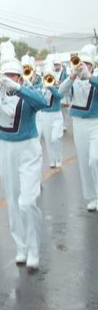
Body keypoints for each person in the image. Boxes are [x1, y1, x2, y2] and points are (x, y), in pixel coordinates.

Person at [0, 41, 47, 269]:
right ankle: (21, 246)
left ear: (20, 77)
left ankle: (34, 248)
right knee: (13, 201)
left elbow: (42, 102)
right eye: (6, 75)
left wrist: (18, 88)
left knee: (27, 201)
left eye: (14, 76)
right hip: (5, 149)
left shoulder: (27, 93)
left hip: (28, 149)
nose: (9, 78)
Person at [59, 44, 98, 211]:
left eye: (87, 64)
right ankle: (92, 196)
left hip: (95, 122)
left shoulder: (95, 77)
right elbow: (60, 91)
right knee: (83, 161)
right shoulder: (73, 79)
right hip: (78, 122)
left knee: (94, 159)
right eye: (81, 64)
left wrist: (89, 77)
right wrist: (72, 76)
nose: (83, 66)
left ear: (93, 66)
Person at [39, 62, 64, 168]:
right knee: (48, 141)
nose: (48, 78)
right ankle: (52, 161)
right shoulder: (41, 86)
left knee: (55, 138)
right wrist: (43, 88)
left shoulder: (58, 85)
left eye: (50, 76)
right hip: (45, 116)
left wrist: (51, 87)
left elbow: (59, 96)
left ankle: (58, 158)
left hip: (56, 115)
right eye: (46, 76)